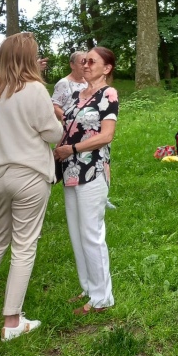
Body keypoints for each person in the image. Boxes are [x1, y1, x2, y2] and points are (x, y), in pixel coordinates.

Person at [0, 33, 63, 340]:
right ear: (28, 58)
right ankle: (12, 321)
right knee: (24, 246)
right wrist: (57, 119)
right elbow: (53, 134)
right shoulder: (34, 89)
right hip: (29, 175)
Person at [54, 47, 119, 316]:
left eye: (92, 61)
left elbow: (106, 136)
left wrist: (72, 149)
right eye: (84, 60)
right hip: (70, 171)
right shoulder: (74, 95)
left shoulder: (108, 94)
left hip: (92, 170)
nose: (86, 64)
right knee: (76, 232)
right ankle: (88, 288)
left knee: (92, 234)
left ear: (107, 68)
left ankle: (102, 298)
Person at [51, 51, 87, 121]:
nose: (85, 66)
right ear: (72, 65)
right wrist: (70, 120)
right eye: (82, 63)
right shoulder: (64, 83)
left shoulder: (88, 82)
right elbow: (54, 107)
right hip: (70, 125)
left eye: (87, 63)